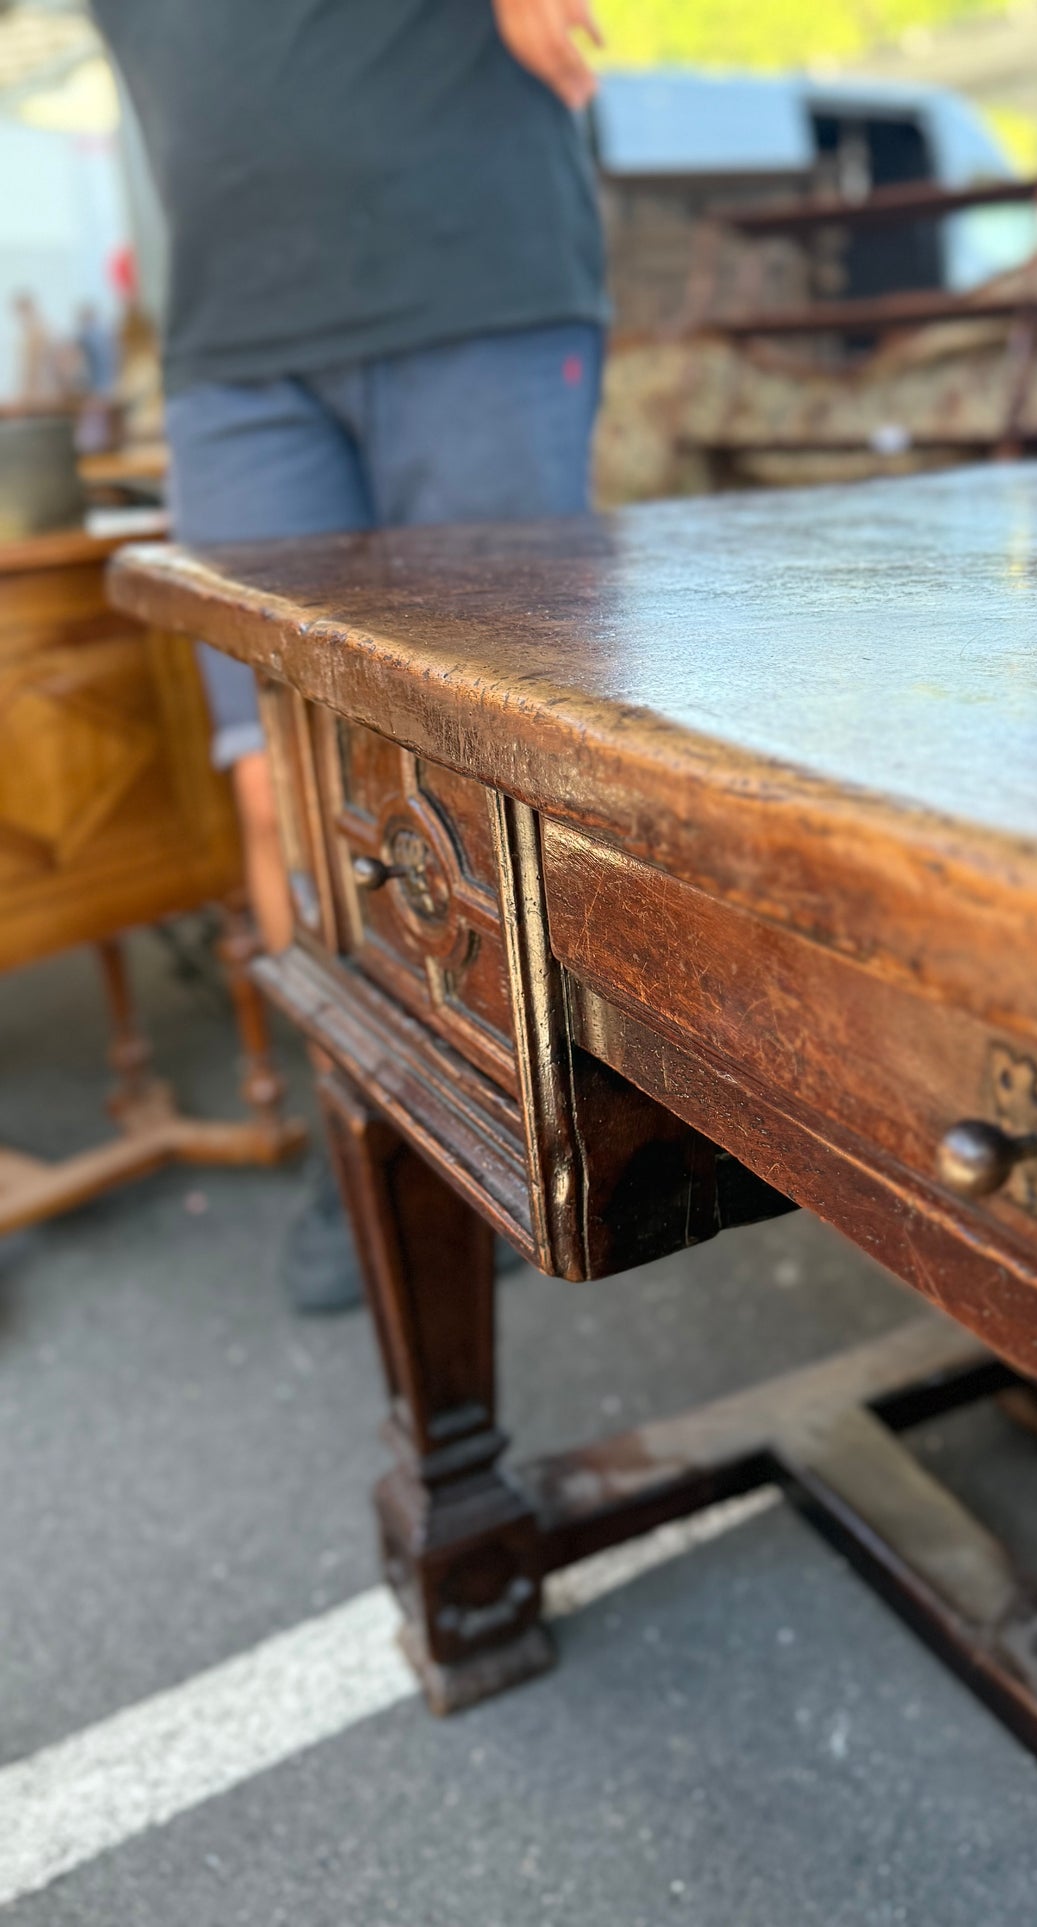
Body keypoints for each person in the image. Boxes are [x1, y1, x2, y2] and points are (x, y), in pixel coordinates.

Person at [92, 0, 609, 1311]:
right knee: (276, 775)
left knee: (501, 753)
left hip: (475, 282)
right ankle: (372, 1142)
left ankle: (541, 1134)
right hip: (236, 350)